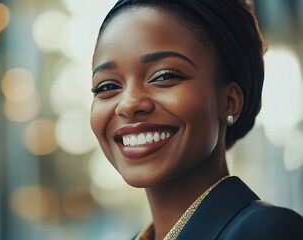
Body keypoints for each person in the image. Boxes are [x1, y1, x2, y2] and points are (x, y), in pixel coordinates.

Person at [89, 0, 303, 239]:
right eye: (107, 86)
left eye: (164, 76)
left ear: (229, 102)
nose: (128, 104)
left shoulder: (267, 231)